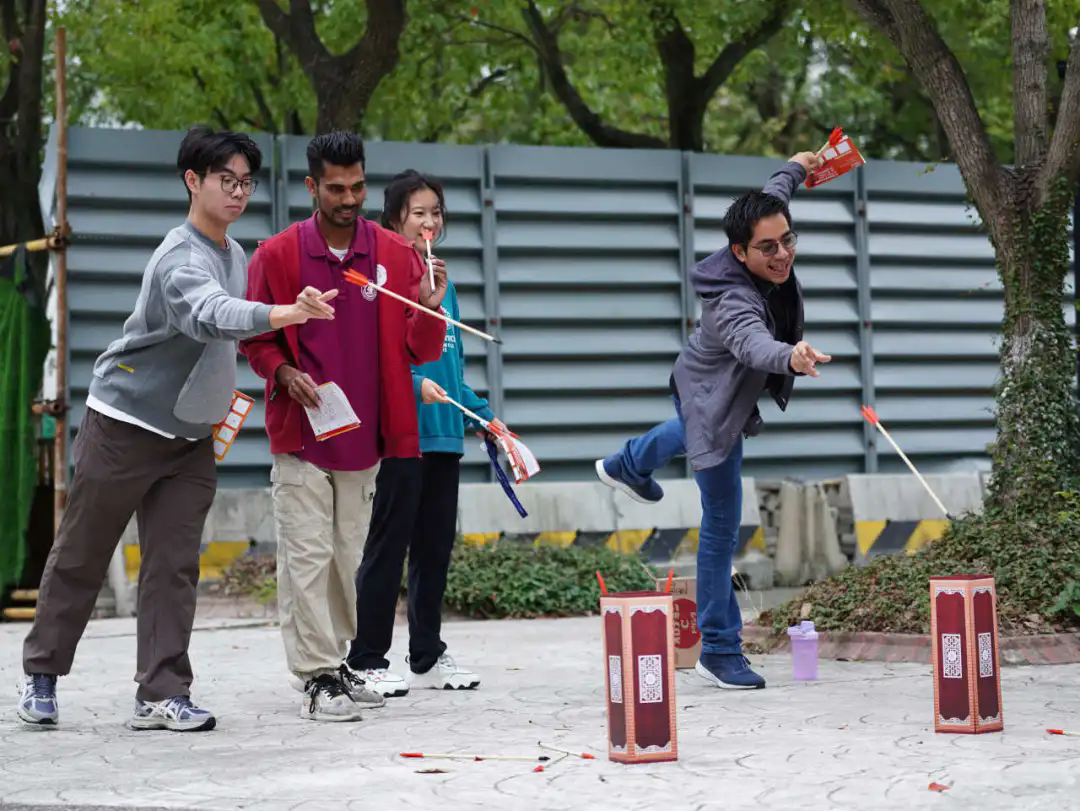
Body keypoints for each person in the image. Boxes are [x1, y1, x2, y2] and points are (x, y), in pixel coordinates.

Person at [17, 126, 336, 731]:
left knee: (173, 564)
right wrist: (283, 310)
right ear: (193, 181)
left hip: (190, 439)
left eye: (245, 182)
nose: (238, 193)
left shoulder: (234, 254)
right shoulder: (178, 258)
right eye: (226, 181)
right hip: (126, 425)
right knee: (83, 553)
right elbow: (214, 316)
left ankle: (160, 693)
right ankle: (41, 674)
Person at [594, 151, 831, 690]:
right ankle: (719, 651)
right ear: (739, 252)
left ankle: (626, 463)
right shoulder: (731, 303)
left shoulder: (765, 226)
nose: (782, 254)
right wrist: (791, 357)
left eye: (787, 240)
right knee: (721, 527)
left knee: (687, 435)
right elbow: (754, 344)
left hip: (702, 387)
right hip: (713, 402)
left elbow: (777, 192)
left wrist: (797, 165)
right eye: (768, 248)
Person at [240, 134, 447, 722]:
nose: (349, 198)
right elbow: (255, 338)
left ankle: (336, 662)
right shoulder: (276, 255)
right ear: (312, 187)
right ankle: (315, 675)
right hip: (301, 432)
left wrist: (431, 304)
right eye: (336, 188)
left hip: (367, 438)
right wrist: (281, 371)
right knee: (306, 555)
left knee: (345, 558)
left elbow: (419, 349)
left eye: (357, 186)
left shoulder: (393, 252)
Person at [345, 171, 506, 697]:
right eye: (419, 212)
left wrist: (481, 415)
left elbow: (451, 368)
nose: (430, 221)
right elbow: (379, 362)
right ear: (395, 221)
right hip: (401, 437)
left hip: (444, 438)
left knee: (434, 552)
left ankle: (427, 655)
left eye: (436, 211)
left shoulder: (446, 286)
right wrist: (416, 387)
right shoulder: (384, 282)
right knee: (387, 549)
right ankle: (366, 658)